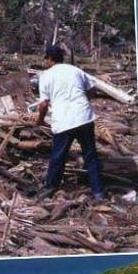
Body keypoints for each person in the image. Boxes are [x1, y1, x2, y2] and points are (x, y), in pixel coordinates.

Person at [33, 44, 106, 202]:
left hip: (64, 120)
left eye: (46, 58)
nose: (45, 61)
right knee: (90, 156)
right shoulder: (75, 70)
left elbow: (43, 104)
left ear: (50, 59)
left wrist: (39, 120)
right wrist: (84, 100)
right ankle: (98, 192)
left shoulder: (45, 76)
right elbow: (92, 88)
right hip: (84, 117)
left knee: (58, 156)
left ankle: (50, 187)